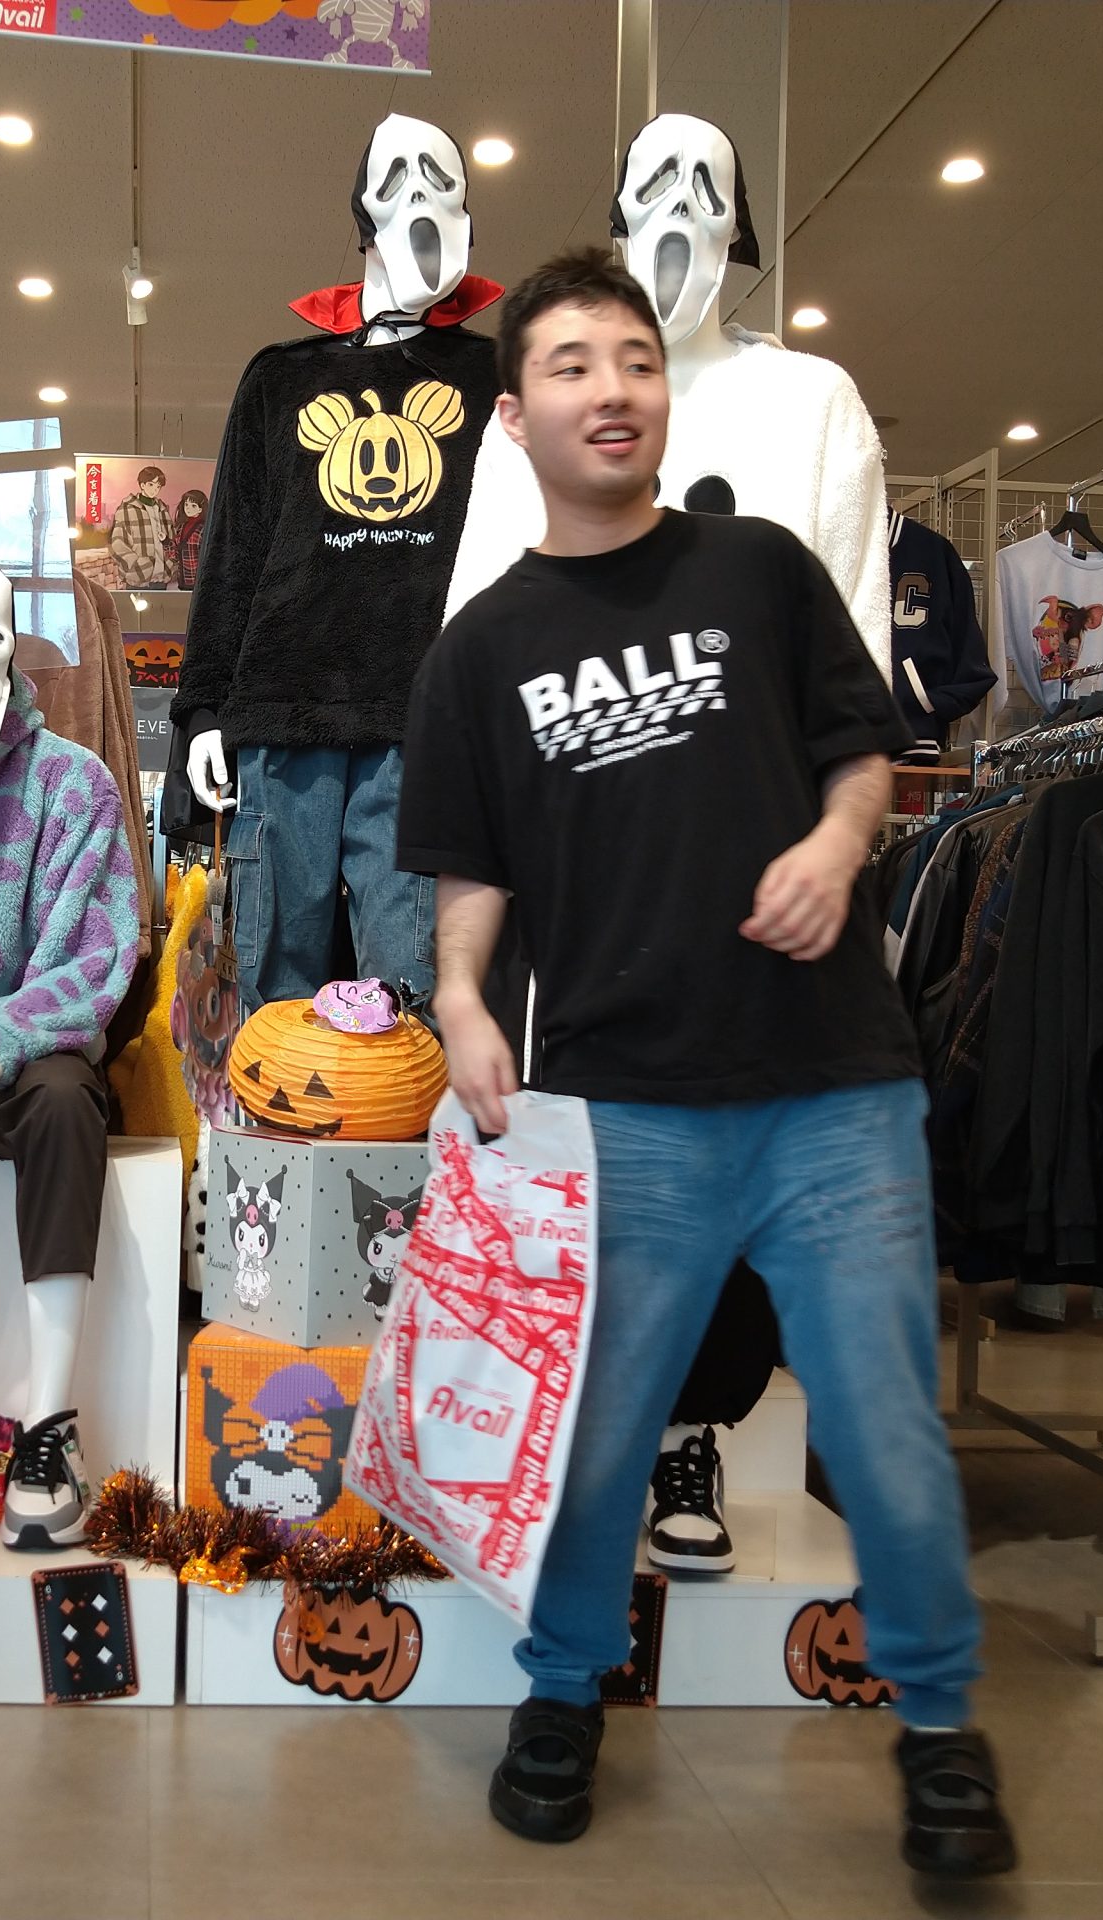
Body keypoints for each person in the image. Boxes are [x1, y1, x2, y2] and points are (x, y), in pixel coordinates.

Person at [397, 248, 1017, 1879]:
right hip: (622, 1105)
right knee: (598, 1434)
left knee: (885, 1428)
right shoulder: (479, 651)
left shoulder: (758, 569)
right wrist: (461, 999)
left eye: (637, 360)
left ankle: (942, 1730)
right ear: (515, 415)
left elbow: (864, 757)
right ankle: (563, 1691)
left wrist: (835, 843)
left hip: (835, 1088)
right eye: (573, 365)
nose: (614, 390)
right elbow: (470, 871)